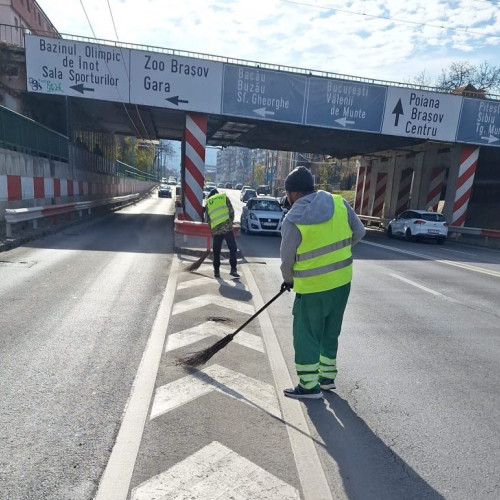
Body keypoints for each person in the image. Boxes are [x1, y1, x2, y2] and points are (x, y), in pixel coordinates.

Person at [280, 166, 365, 400]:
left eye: (287, 193)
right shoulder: (339, 203)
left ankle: (308, 386)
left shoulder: (293, 219)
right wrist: (338, 255)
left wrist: (288, 280)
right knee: (330, 330)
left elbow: (287, 259)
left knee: (306, 333)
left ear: (294, 193)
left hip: (312, 288)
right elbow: (359, 231)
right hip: (341, 283)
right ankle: (326, 378)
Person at [205, 188, 240, 279]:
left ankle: (216, 272)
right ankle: (233, 269)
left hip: (216, 230)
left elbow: (209, 220)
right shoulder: (224, 198)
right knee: (233, 248)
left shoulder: (208, 203)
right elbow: (231, 212)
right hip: (227, 228)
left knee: (216, 251)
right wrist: (229, 222)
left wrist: (213, 230)